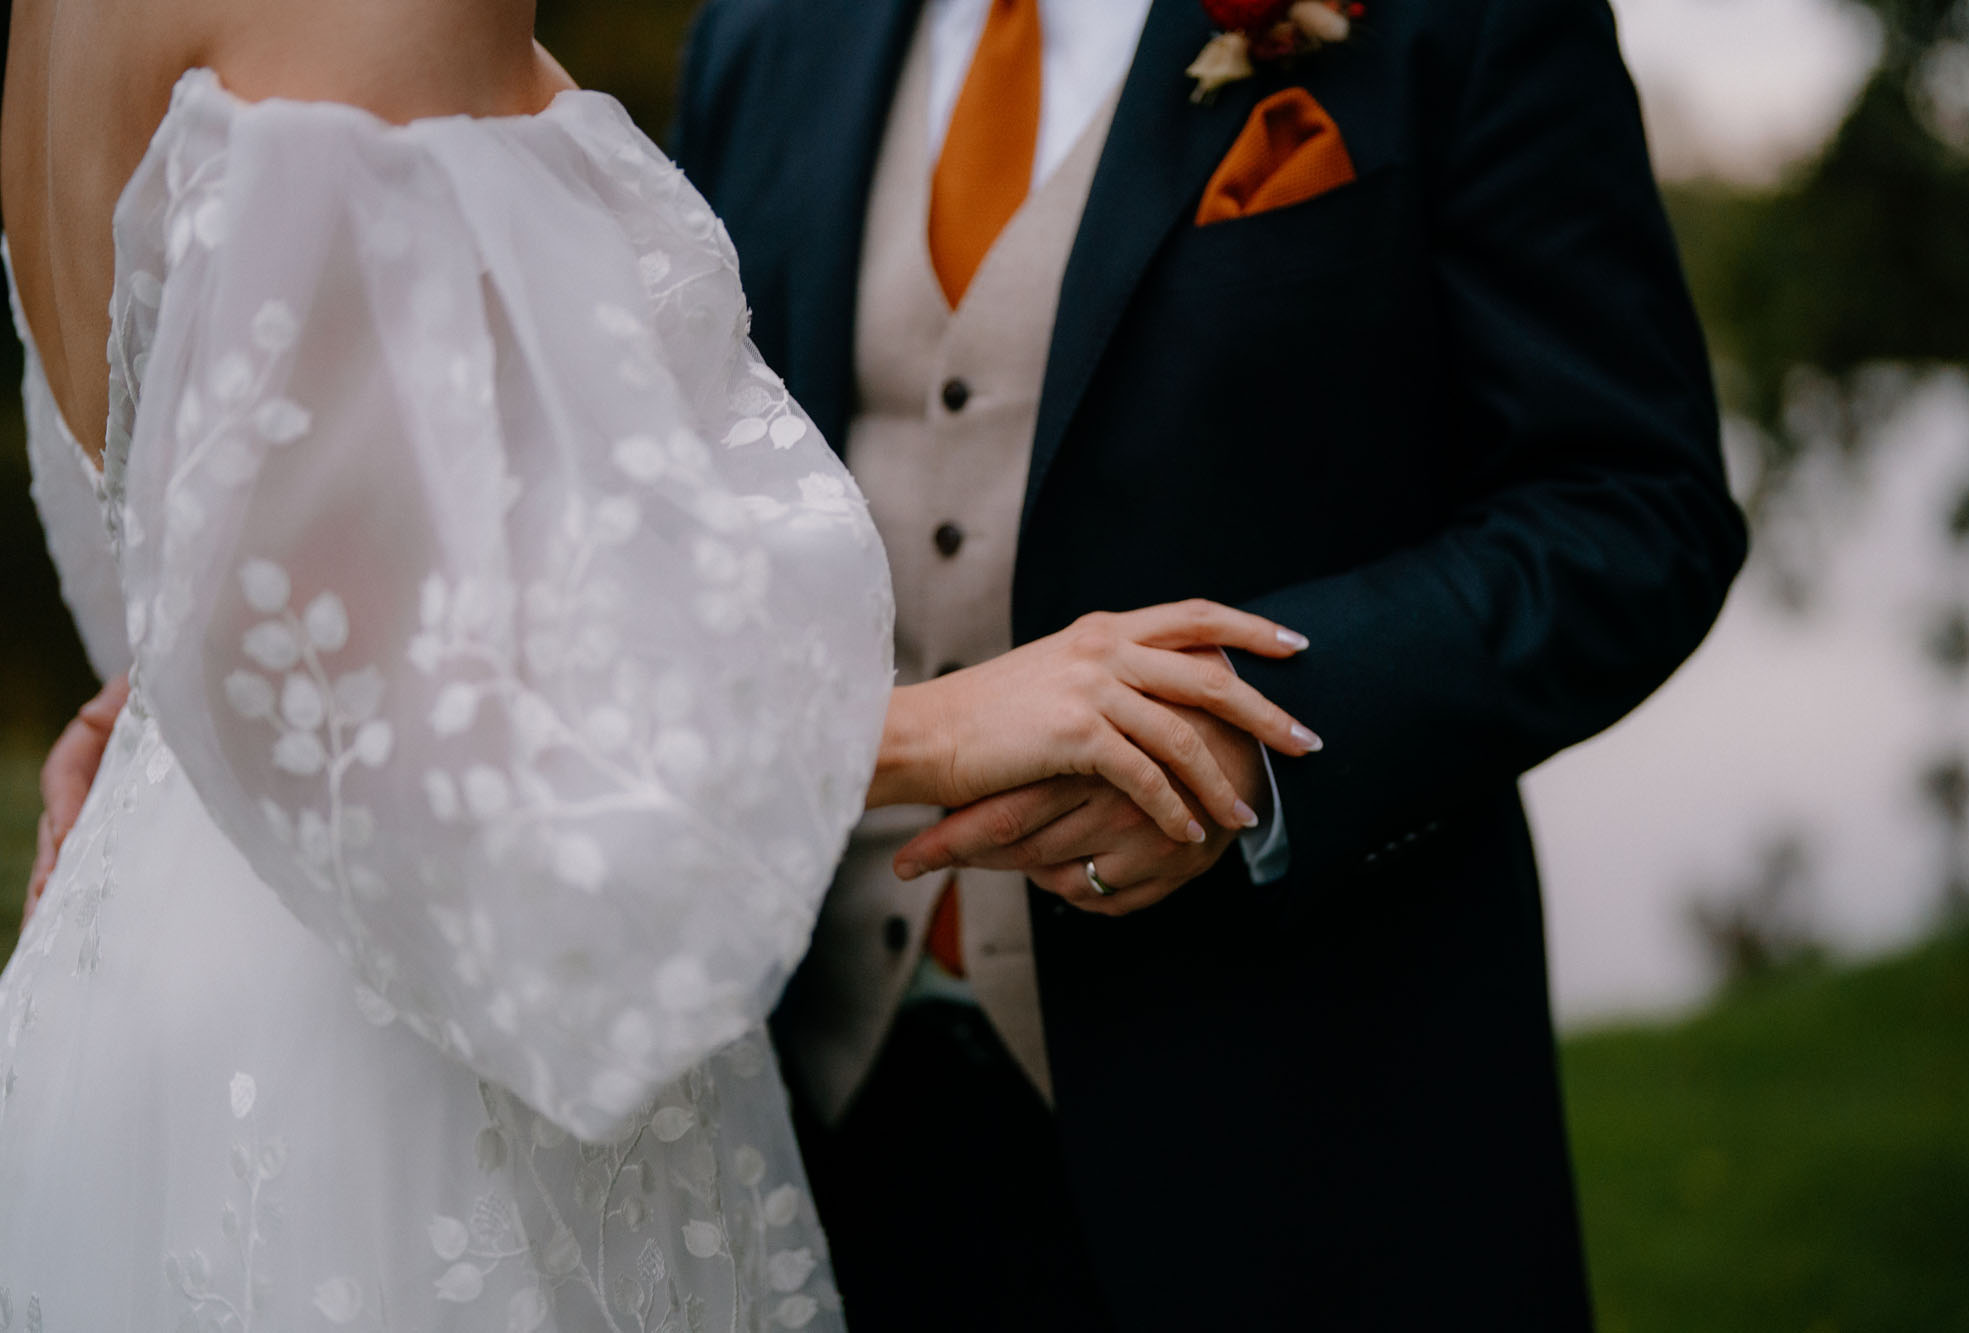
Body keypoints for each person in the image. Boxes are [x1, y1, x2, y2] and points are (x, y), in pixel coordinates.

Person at [0, 0, 1318, 1320]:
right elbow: (425, 720)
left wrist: (199, 686)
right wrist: (933, 730)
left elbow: (269, 539)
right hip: (398, 1063)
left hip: (177, 967)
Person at [671, 0, 1748, 1327]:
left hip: (1298, 1116)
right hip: (807, 1110)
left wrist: (1256, 728)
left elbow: (1633, 507)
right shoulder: (762, 32)